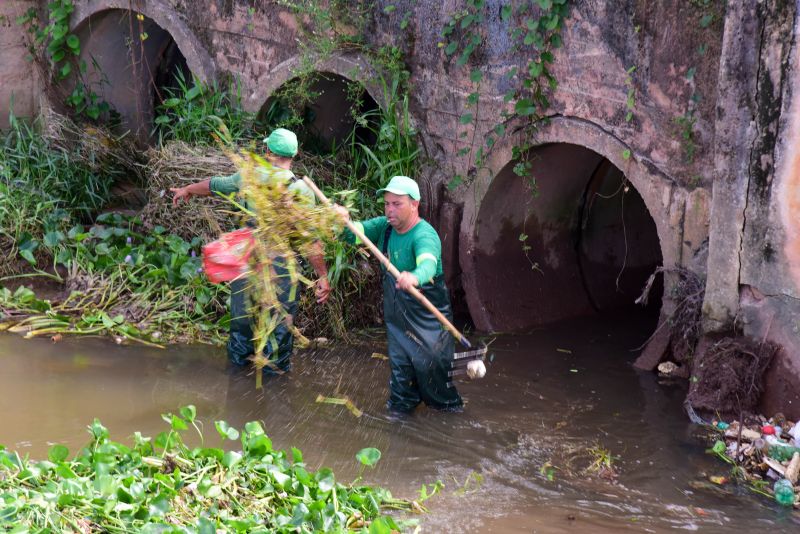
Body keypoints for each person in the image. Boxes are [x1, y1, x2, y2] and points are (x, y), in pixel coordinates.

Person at [171, 128, 331, 373]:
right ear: (295, 154)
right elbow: (310, 241)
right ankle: (274, 393)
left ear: (267, 151)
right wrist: (322, 275)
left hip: (246, 260)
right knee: (278, 332)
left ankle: (236, 389)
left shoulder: (249, 177)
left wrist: (188, 189)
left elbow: (214, 185)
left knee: (242, 327)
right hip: (280, 264)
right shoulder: (301, 190)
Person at [338, 175, 463, 414]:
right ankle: (399, 422)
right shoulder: (385, 227)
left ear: (414, 204)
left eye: (397, 204)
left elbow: (427, 263)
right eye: (387, 203)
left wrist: (414, 277)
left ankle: (451, 425)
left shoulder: (424, 235)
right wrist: (342, 221)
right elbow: (353, 234)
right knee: (401, 378)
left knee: (433, 376)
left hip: (428, 320)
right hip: (398, 320)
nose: (389, 209)